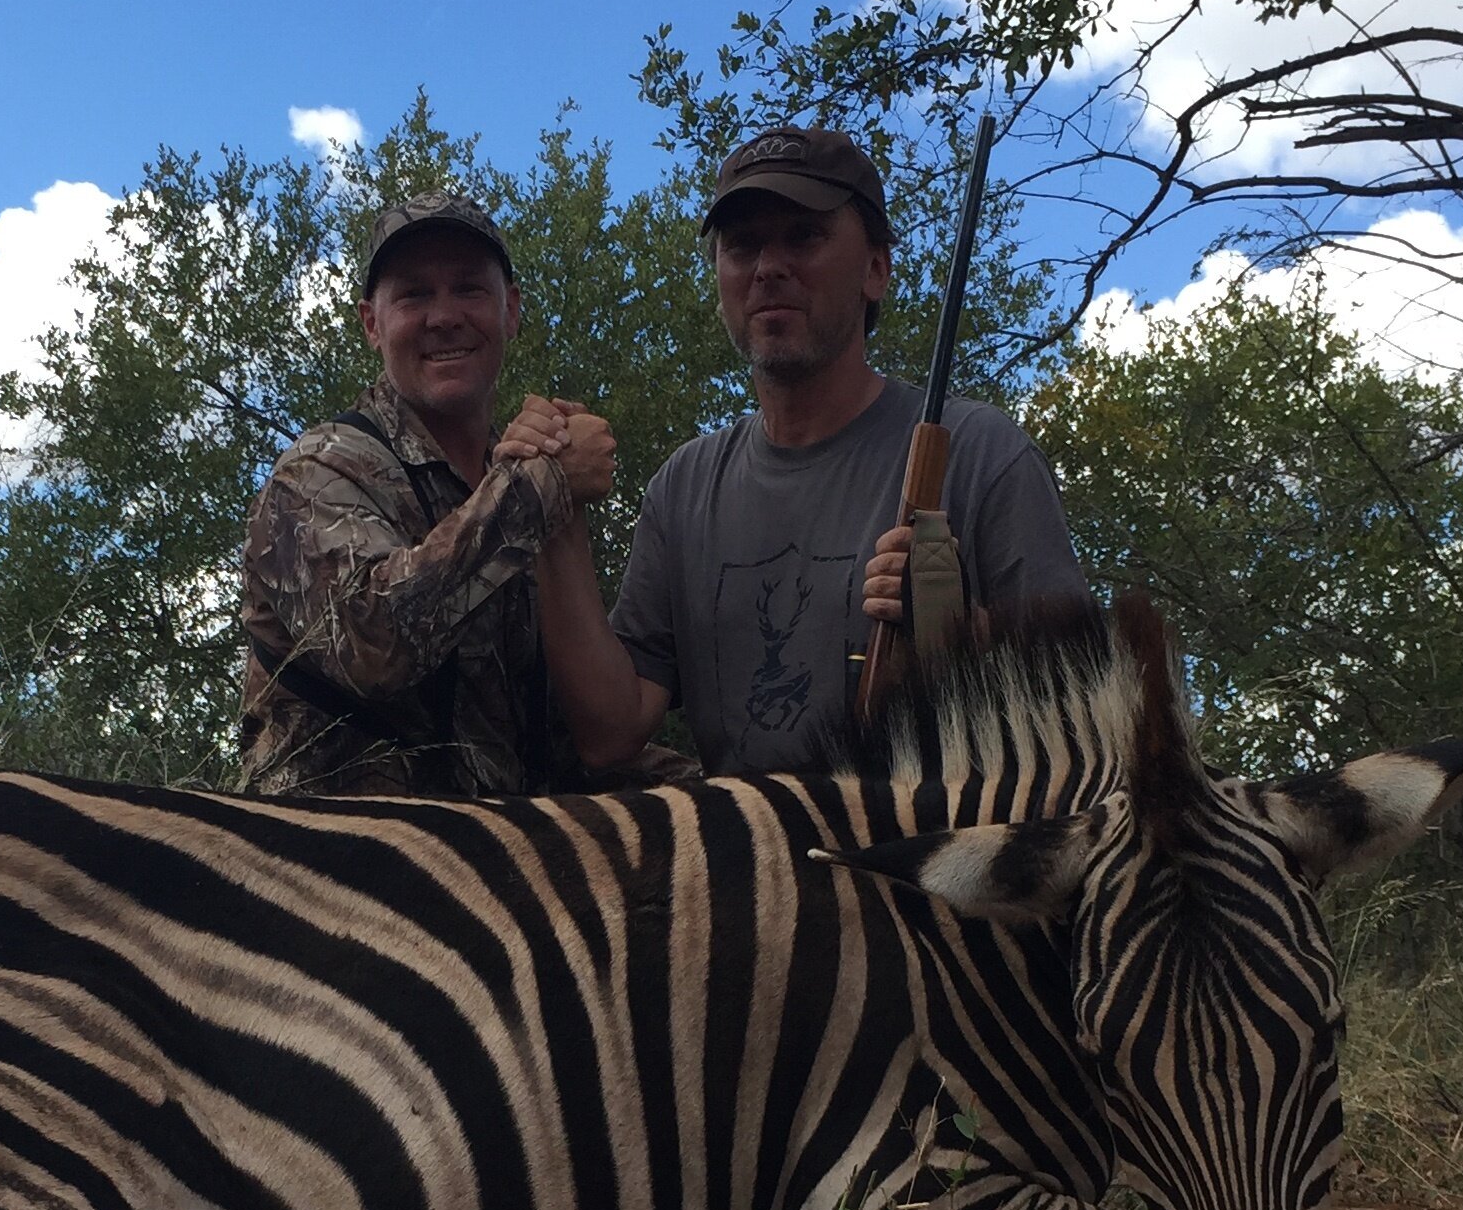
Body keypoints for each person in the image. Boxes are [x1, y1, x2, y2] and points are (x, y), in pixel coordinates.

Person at [545, 127, 1090, 776]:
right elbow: (610, 731)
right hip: (750, 868)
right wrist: (558, 511)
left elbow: (1083, 709)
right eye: (742, 245)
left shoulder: (982, 454)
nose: (768, 267)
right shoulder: (683, 487)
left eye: (804, 236)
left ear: (876, 270)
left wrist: (959, 636)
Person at [238, 191, 622, 797]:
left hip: (493, 862)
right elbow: (373, 643)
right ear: (371, 323)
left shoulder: (511, 477)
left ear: (511, 311)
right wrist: (544, 484)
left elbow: (561, 729)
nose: (444, 316)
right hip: (329, 865)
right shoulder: (316, 472)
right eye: (414, 294)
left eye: (469, 288)